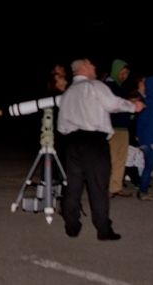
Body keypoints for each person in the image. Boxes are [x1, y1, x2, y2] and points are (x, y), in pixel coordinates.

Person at [57, 58, 144, 241]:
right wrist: (134, 106)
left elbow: (61, 125)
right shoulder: (94, 86)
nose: (95, 66)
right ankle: (103, 230)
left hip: (71, 143)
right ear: (83, 68)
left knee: (73, 187)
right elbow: (113, 104)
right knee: (98, 187)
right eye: (91, 64)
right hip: (93, 142)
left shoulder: (68, 93)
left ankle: (71, 226)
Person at [104, 58, 134, 198]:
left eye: (126, 73)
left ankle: (116, 187)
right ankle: (105, 187)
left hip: (123, 127)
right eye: (122, 72)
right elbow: (113, 105)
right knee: (110, 158)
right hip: (112, 127)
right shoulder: (108, 86)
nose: (124, 75)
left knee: (121, 159)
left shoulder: (122, 87)